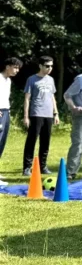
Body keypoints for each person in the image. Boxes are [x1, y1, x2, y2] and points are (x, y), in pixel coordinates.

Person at [22, 56, 59, 175]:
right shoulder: (31, 79)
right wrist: (26, 116)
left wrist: (56, 113)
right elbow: (27, 99)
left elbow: (52, 97)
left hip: (48, 114)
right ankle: (27, 167)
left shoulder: (51, 80)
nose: (50, 68)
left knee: (45, 141)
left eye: (51, 66)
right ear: (40, 66)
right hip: (36, 113)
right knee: (32, 140)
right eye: (47, 66)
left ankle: (43, 167)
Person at [0, 57, 22, 186]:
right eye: (15, 67)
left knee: (2, 143)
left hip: (6, 112)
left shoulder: (8, 81)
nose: (17, 70)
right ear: (7, 66)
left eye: (18, 68)